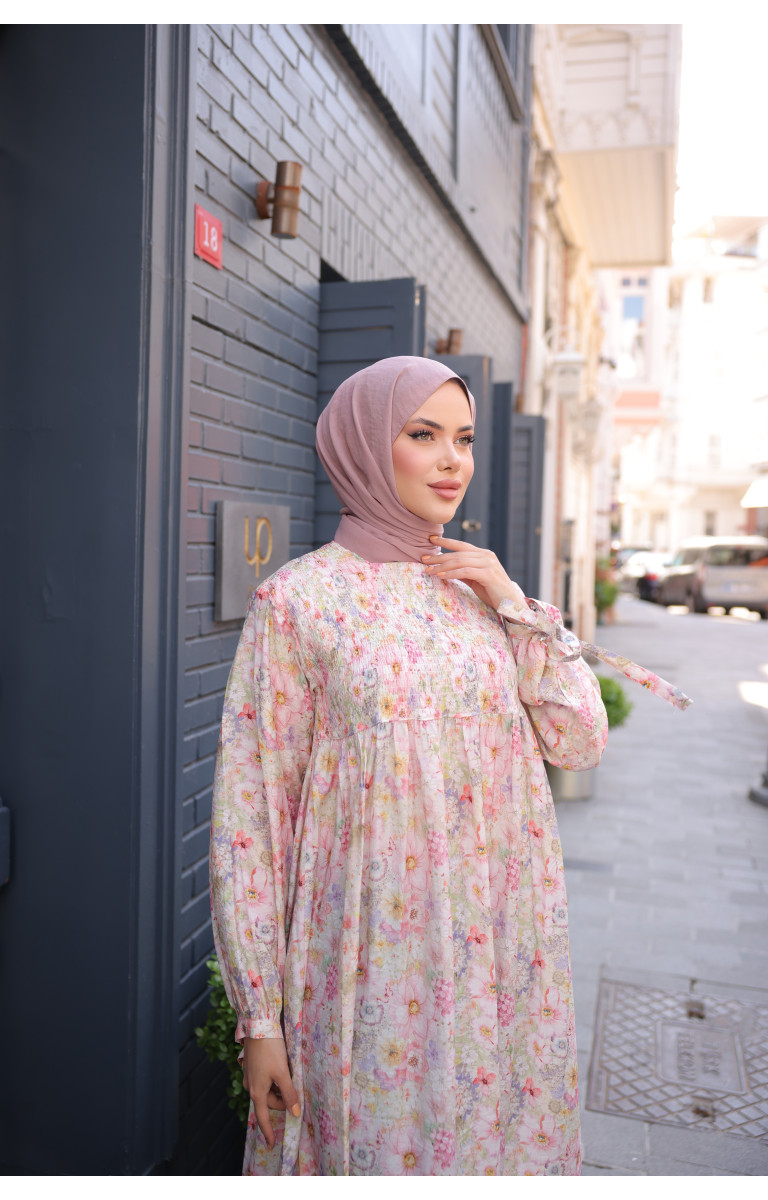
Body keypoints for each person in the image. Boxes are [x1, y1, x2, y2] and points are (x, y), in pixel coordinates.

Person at [210, 355, 609, 1176]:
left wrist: (513, 603)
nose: (452, 460)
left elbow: (579, 742)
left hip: (502, 956)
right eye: (423, 435)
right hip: (374, 968)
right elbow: (252, 823)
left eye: (464, 438)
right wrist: (260, 1022)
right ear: (363, 444)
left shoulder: (482, 597)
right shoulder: (299, 602)